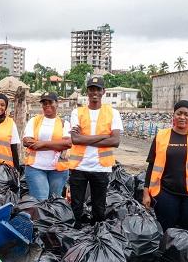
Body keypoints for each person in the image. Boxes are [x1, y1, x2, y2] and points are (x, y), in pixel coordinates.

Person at [142, 100, 188, 232]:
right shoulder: (161, 136)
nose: (182, 117)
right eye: (179, 113)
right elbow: (152, 166)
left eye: (186, 114)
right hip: (166, 193)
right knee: (166, 232)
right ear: (174, 115)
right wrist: (145, 193)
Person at [69, 76, 123, 226]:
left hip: (101, 167)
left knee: (99, 208)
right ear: (87, 92)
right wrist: (104, 136)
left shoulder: (113, 113)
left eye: (98, 89)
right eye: (91, 89)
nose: (95, 92)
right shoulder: (77, 112)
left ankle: (97, 237)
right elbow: (76, 140)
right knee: (76, 207)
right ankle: (76, 237)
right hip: (79, 166)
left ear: (103, 92)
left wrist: (85, 138)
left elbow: (115, 141)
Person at [22, 92, 73, 200]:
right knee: (41, 199)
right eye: (44, 103)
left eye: (50, 102)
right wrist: (57, 145)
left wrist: (42, 143)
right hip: (36, 168)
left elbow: (68, 144)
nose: (47, 105)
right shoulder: (34, 121)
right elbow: (26, 142)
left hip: (58, 170)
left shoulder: (64, 123)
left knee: (54, 201)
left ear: (57, 103)